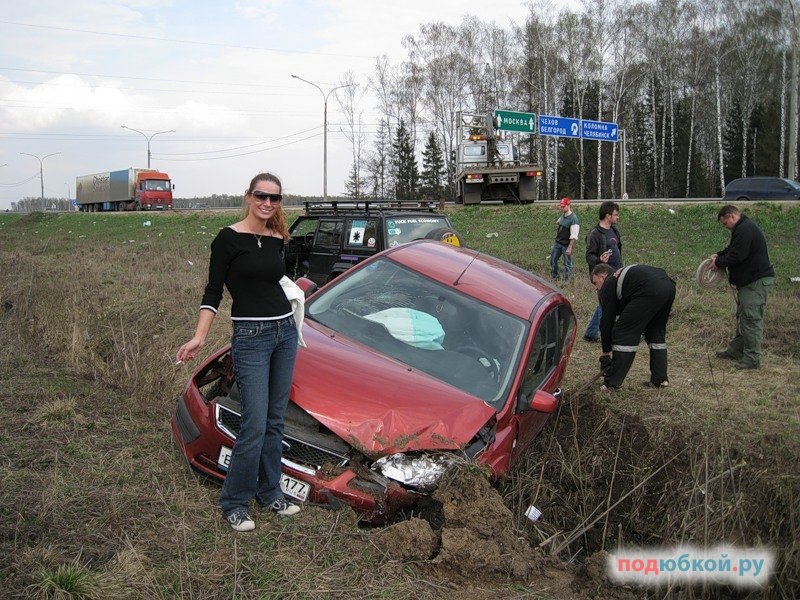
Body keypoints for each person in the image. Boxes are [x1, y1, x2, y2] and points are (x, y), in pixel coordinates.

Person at [176, 172, 302, 532]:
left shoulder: (278, 237)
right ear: (248, 196)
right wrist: (200, 336)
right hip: (252, 336)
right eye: (261, 196)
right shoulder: (228, 239)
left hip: (284, 333)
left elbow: (277, 283)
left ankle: (270, 492)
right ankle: (234, 501)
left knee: (276, 421)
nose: (268, 203)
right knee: (254, 423)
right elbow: (213, 291)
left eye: (275, 198)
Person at [709, 205, 775, 370]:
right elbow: (733, 249)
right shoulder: (742, 228)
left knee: (751, 320)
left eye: (725, 224)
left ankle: (752, 359)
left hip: (755, 282)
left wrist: (718, 262)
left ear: (731, 216)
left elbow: (738, 255)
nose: (725, 227)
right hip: (748, 282)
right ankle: (736, 351)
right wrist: (719, 254)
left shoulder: (745, 229)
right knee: (743, 317)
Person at [591, 263, 676, 390]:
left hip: (649, 288)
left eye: (595, 283)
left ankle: (611, 383)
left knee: (622, 333)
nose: (596, 288)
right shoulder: (621, 279)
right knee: (655, 333)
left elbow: (606, 322)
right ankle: (660, 379)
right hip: (668, 286)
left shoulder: (608, 284)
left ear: (603, 276)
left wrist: (605, 352)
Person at [583, 201, 622, 342]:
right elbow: (589, 256)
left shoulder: (615, 231)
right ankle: (607, 336)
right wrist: (599, 260)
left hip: (616, 274)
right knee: (605, 305)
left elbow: (619, 251)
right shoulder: (595, 234)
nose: (618, 217)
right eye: (616, 214)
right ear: (607, 215)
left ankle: (591, 333)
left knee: (603, 303)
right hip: (602, 277)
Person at [550, 196, 580, 280]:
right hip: (557, 243)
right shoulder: (563, 215)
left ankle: (567, 280)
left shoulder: (574, 219)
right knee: (553, 260)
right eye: (561, 206)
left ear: (568, 205)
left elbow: (574, 235)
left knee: (567, 264)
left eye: (563, 206)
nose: (561, 208)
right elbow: (559, 221)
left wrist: (570, 248)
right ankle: (555, 276)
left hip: (566, 245)